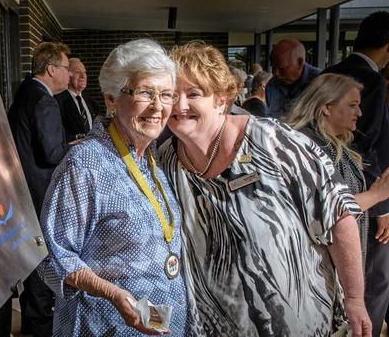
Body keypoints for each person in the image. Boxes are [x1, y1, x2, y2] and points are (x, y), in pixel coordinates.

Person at [159, 41, 371, 336]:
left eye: (193, 94)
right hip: (215, 326)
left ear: (221, 99)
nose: (179, 106)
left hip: (300, 321)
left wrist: (354, 299)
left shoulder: (274, 142)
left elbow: (339, 216)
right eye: (171, 95)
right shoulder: (165, 160)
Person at [40, 39, 188, 336]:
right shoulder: (85, 164)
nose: (158, 107)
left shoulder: (153, 156)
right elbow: (51, 255)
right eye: (146, 92)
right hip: (105, 325)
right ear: (111, 99)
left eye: (166, 95)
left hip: (159, 323)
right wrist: (111, 293)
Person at [322, 11, 389, 337]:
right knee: (374, 278)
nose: (359, 112)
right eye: (354, 106)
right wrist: (381, 205)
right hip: (363, 197)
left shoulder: (331, 71)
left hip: (353, 196)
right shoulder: (370, 80)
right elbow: (370, 143)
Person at [286, 73, 389, 268]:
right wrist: (377, 194)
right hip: (315, 267)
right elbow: (328, 209)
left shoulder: (330, 143)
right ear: (326, 107)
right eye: (352, 105)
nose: (359, 113)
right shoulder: (307, 146)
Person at [7, 41, 72, 337]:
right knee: (42, 261)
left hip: (23, 191)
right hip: (39, 195)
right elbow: (51, 154)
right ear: (52, 69)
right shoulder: (44, 100)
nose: (69, 74)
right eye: (67, 68)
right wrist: (75, 149)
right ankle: (40, 326)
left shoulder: (26, 91)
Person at [265, 38, 321, 118]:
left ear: (300, 63)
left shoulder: (321, 82)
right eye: (273, 67)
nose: (276, 73)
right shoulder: (271, 85)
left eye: (282, 68)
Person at [55, 58, 98, 142]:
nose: (83, 76)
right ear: (68, 75)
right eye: (78, 72)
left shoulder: (92, 102)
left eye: (85, 72)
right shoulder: (58, 101)